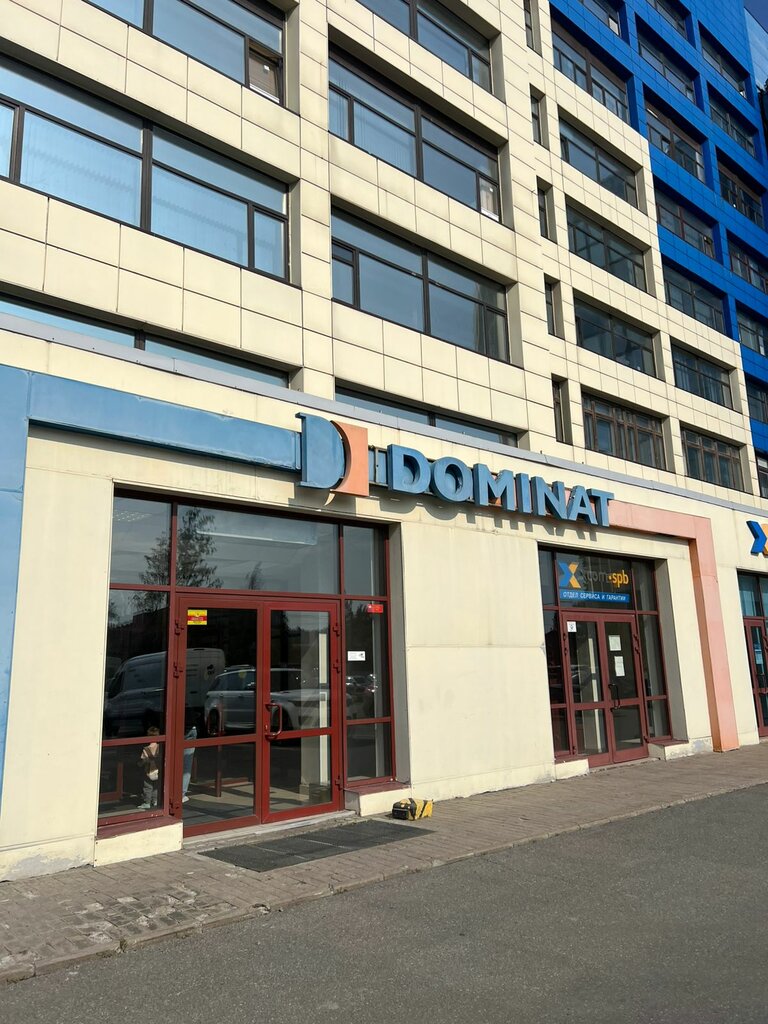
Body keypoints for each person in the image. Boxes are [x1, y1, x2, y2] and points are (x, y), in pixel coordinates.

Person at [138, 726, 161, 809]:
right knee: (156, 787)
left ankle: (147, 802)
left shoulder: (146, 749)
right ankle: (155, 800)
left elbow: (144, 760)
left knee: (148, 787)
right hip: (158, 770)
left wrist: (139, 764)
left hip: (148, 771)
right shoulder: (160, 747)